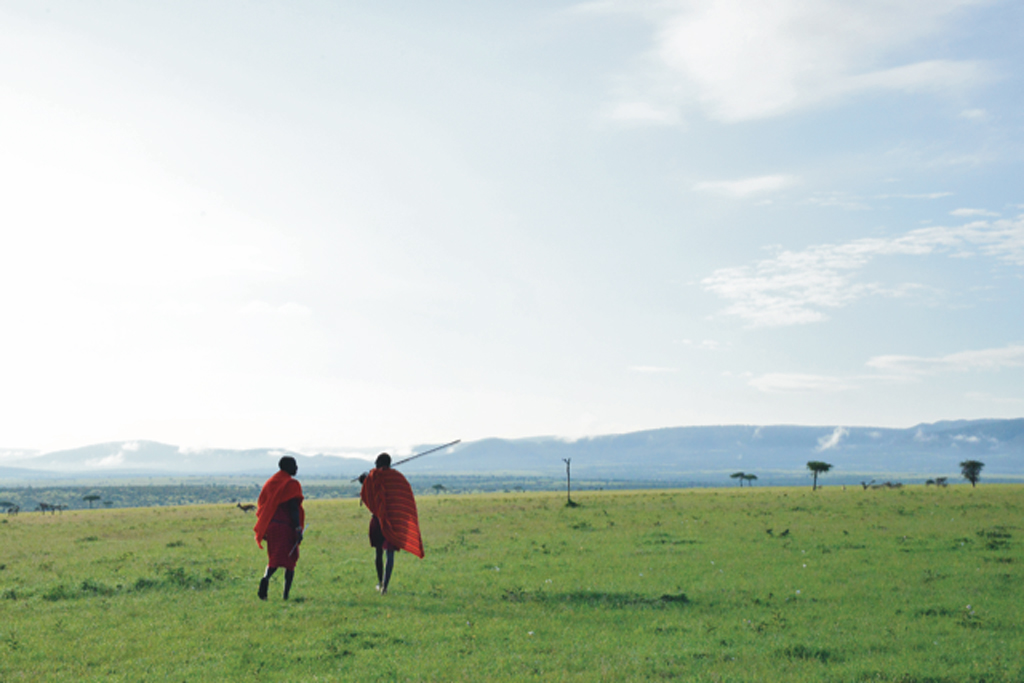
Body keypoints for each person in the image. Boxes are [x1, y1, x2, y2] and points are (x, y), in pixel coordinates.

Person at [359, 453, 424, 595]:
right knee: (390, 554)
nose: (374, 464)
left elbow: (367, 491)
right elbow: (404, 497)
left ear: (379, 462)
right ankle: (385, 586)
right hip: (393, 521)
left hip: (377, 520)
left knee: (378, 552)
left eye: (376, 462)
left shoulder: (373, 476)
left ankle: (380, 581)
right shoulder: (397, 478)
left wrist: (363, 480)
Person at [254, 456, 305, 600]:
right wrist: (297, 528)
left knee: (274, 559)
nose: (296, 468)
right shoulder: (291, 484)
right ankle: (285, 595)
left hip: (272, 526)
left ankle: (265, 579)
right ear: (288, 467)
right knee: (290, 560)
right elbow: (293, 508)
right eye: (294, 465)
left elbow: (263, 504)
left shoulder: (271, 482)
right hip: (285, 527)